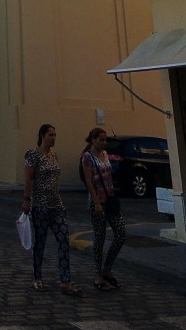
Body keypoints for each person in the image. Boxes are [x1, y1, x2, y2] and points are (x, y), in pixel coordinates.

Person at [23, 123, 82, 296]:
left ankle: (65, 281)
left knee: (63, 239)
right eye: (51, 135)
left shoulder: (54, 155)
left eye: (55, 135)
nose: (54, 138)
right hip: (40, 205)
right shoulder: (33, 154)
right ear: (42, 136)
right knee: (40, 242)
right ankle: (37, 278)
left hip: (57, 205)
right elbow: (28, 178)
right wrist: (27, 200)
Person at [81, 127, 125, 290]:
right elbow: (89, 181)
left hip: (110, 200)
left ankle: (107, 268)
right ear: (93, 140)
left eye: (105, 139)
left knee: (121, 234)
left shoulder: (105, 154)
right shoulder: (87, 157)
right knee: (99, 238)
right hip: (97, 202)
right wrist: (96, 202)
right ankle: (98, 274)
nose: (104, 143)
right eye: (101, 139)